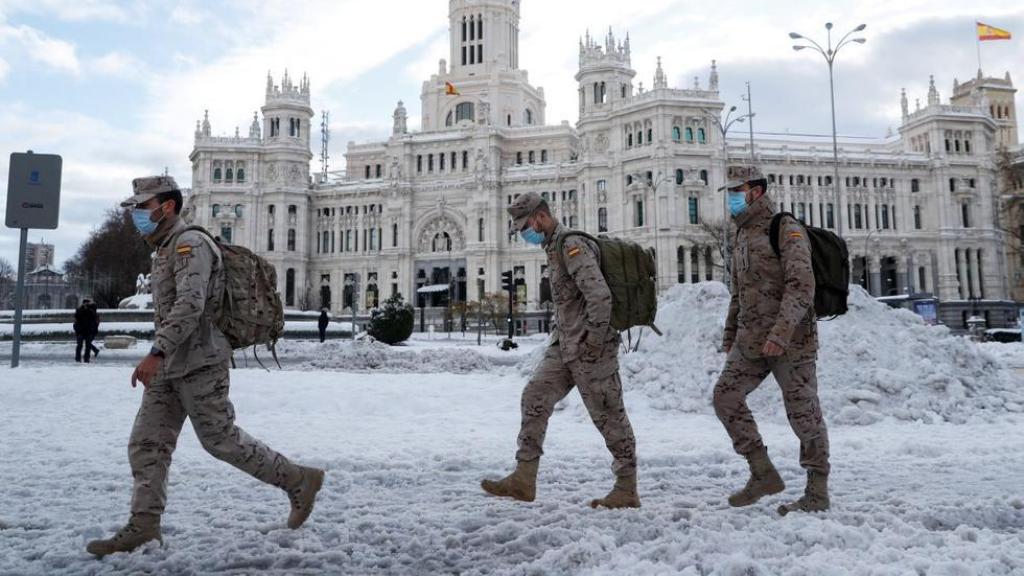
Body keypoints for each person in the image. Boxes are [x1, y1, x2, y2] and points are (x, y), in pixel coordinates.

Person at [87, 176, 325, 558]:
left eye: (143, 207)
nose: (137, 215)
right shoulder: (164, 248)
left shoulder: (189, 244)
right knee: (147, 444)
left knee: (221, 440)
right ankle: (144, 527)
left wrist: (156, 352)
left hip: (199, 363)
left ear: (167, 207)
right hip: (170, 368)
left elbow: (190, 305)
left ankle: (299, 480)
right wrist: (162, 358)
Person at [481, 192, 639, 509]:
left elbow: (599, 296)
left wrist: (594, 342)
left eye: (526, 225)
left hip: (590, 347)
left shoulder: (571, 245)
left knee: (609, 416)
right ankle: (524, 478)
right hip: (565, 345)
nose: (524, 232)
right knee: (534, 396)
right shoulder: (553, 248)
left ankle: (626, 488)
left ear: (540, 216)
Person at [714, 164, 830, 514]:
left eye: (738, 191)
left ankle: (816, 491)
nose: (732, 198)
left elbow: (802, 285)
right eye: (730, 192)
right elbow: (739, 291)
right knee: (725, 397)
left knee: (802, 411)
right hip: (751, 339)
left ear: (757, 191)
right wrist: (731, 334)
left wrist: (781, 334)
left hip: (791, 340)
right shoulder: (740, 234)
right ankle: (762, 472)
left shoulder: (785, 228)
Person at [74, 299, 99, 363]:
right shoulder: (79, 309)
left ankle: (86, 359)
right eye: (84, 303)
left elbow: (93, 316)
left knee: (88, 346)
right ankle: (78, 359)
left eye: (87, 303)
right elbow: (77, 316)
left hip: (88, 330)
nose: (85, 305)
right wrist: (83, 308)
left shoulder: (92, 310)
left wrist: (88, 309)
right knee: (79, 345)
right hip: (81, 330)